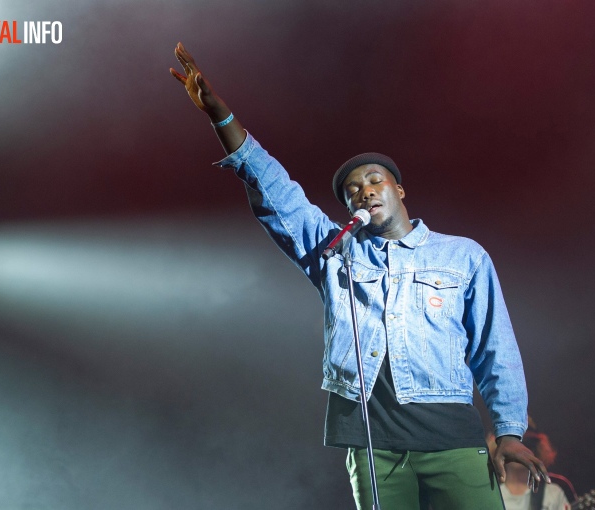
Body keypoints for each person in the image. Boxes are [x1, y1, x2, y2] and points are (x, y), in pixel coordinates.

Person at [170, 42, 551, 510]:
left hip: (453, 443)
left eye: (374, 180)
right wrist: (220, 116)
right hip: (373, 449)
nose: (363, 191)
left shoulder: (462, 257)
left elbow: (497, 350)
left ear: (399, 189)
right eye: (352, 191)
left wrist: (510, 432)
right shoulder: (336, 252)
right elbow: (276, 191)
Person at [488, 422, 572, 510]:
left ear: (537, 450)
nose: (519, 451)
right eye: (512, 444)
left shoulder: (553, 494)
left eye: (526, 444)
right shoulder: (487, 494)